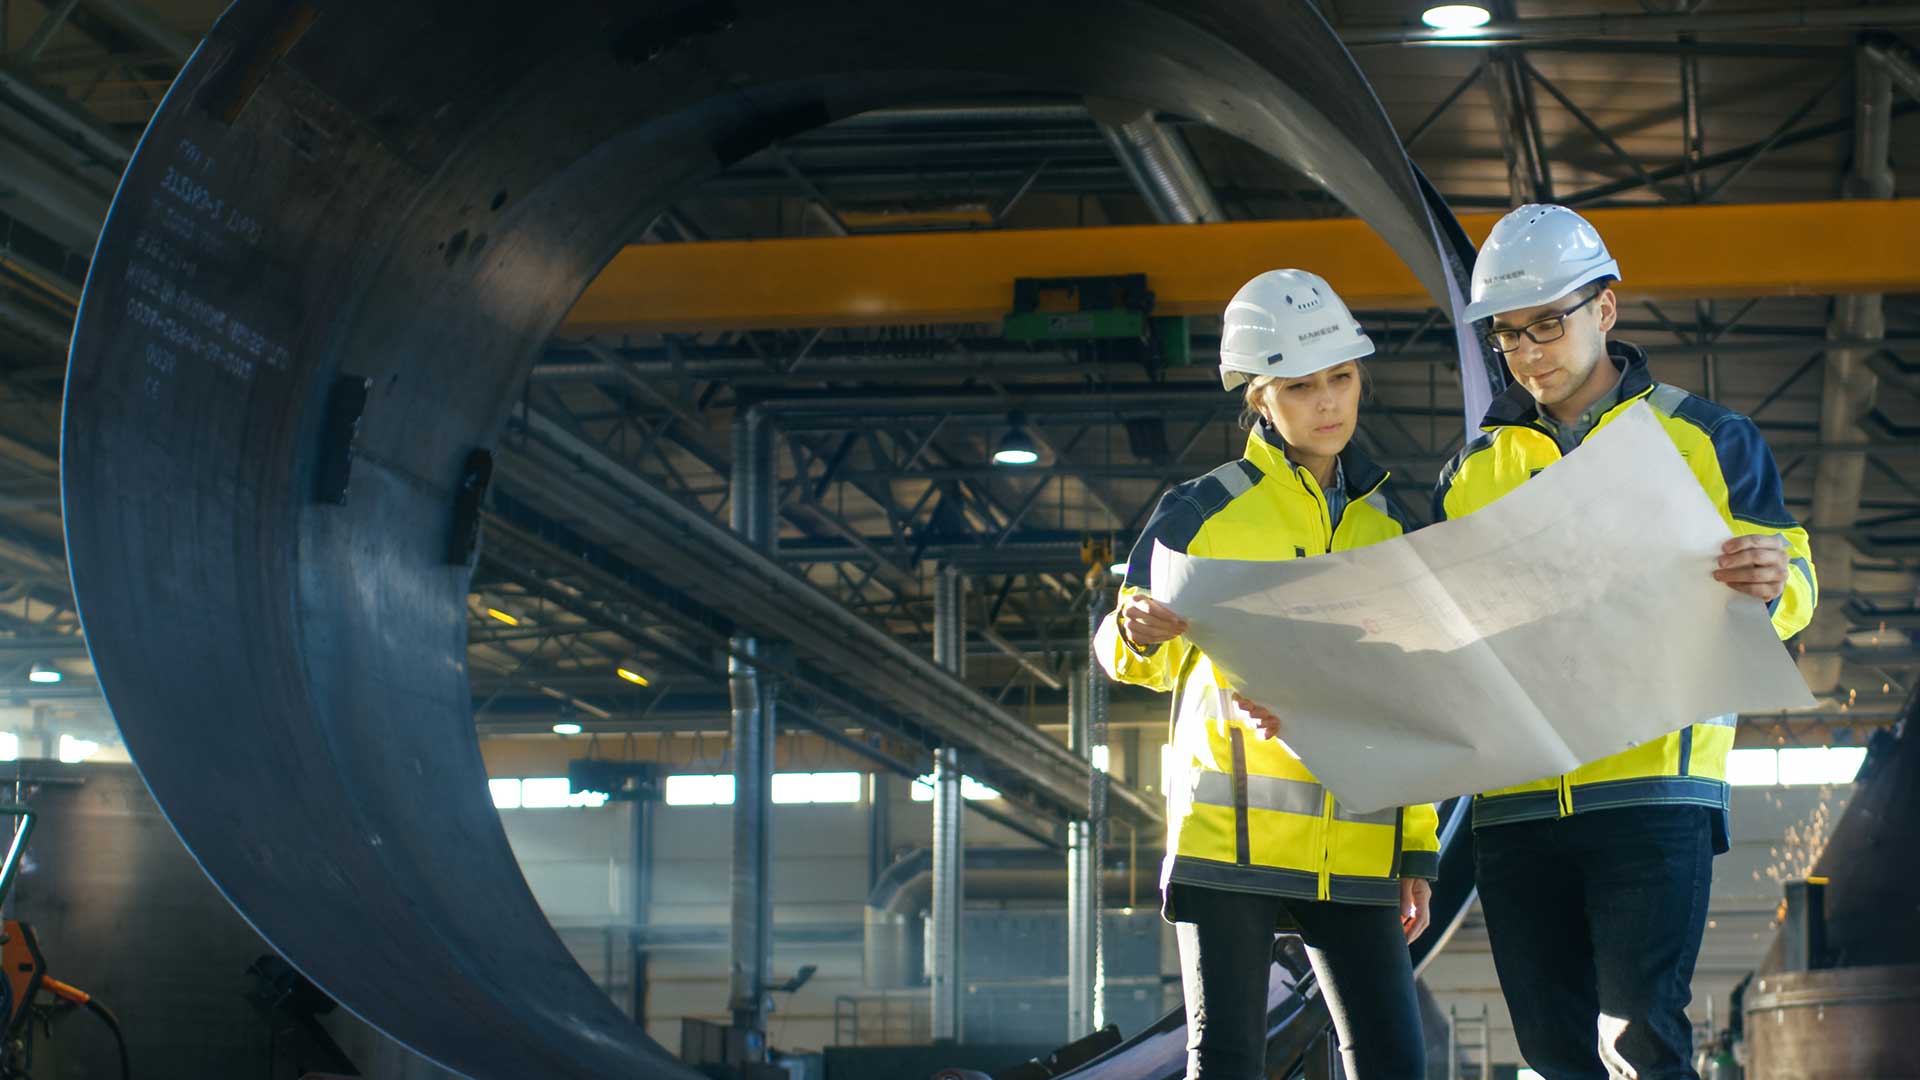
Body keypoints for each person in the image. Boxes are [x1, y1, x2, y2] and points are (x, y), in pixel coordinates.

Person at [1433, 204, 1818, 1080]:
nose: (1528, 352)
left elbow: (1791, 582)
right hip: (1515, 805)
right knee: (1550, 1051)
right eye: (1507, 335)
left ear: (1605, 308)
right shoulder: (1468, 474)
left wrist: (1778, 584)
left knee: (1638, 1039)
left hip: (1653, 791)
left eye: (1547, 324)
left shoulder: (1709, 439)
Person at [1096, 269, 1439, 1079]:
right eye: (1301, 386)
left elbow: (1418, 695)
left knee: (1394, 1064)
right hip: (1231, 840)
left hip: (1359, 844)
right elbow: (1127, 653)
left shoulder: (1391, 527)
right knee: (1227, 1067)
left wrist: (1416, 849)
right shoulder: (1201, 513)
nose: (1329, 403)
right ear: (1259, 398)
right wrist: (1134, 629)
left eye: (1342, 378)